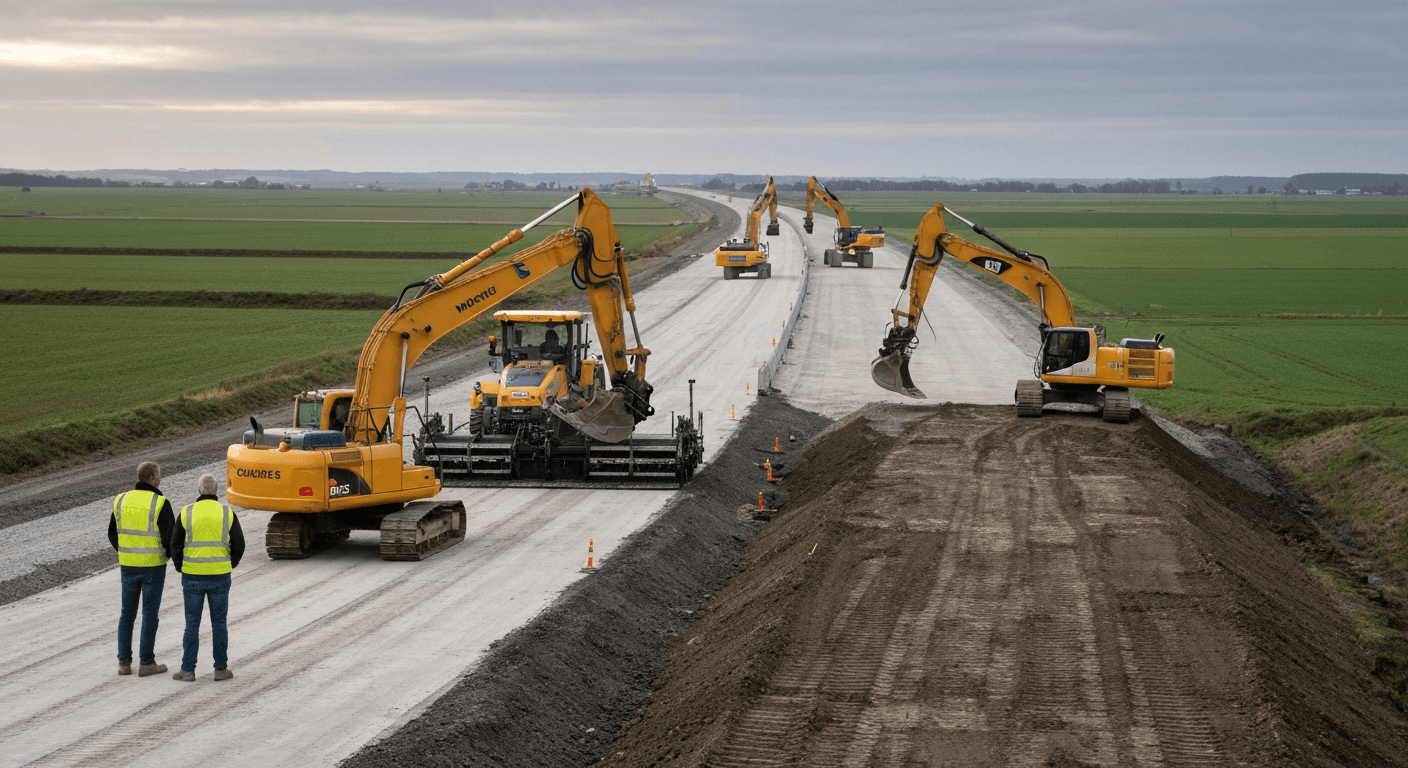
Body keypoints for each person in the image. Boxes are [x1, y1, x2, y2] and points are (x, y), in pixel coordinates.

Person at [170, 473, 245, 682]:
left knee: (191, 624)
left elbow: (175, 544)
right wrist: (230, 564)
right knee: (219, 623)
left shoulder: (186, 512)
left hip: (192, 576)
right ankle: (220, 670)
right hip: (220, 576)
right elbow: (239, 544)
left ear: (199, 490)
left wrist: (181, 566)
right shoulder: (226, 513)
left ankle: (187, 670)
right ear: (216, 490)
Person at [110, 460, 175, 677]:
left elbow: (113, 533)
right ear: (153, 478)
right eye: (160, 475)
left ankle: (124, 663)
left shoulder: (121, 500)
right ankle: (146, 662)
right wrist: (169, 556)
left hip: (128, 566)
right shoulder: (160, 503)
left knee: (126, 614)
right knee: (149, 615)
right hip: (153, 568)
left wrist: (126, 551)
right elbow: (170, 539)